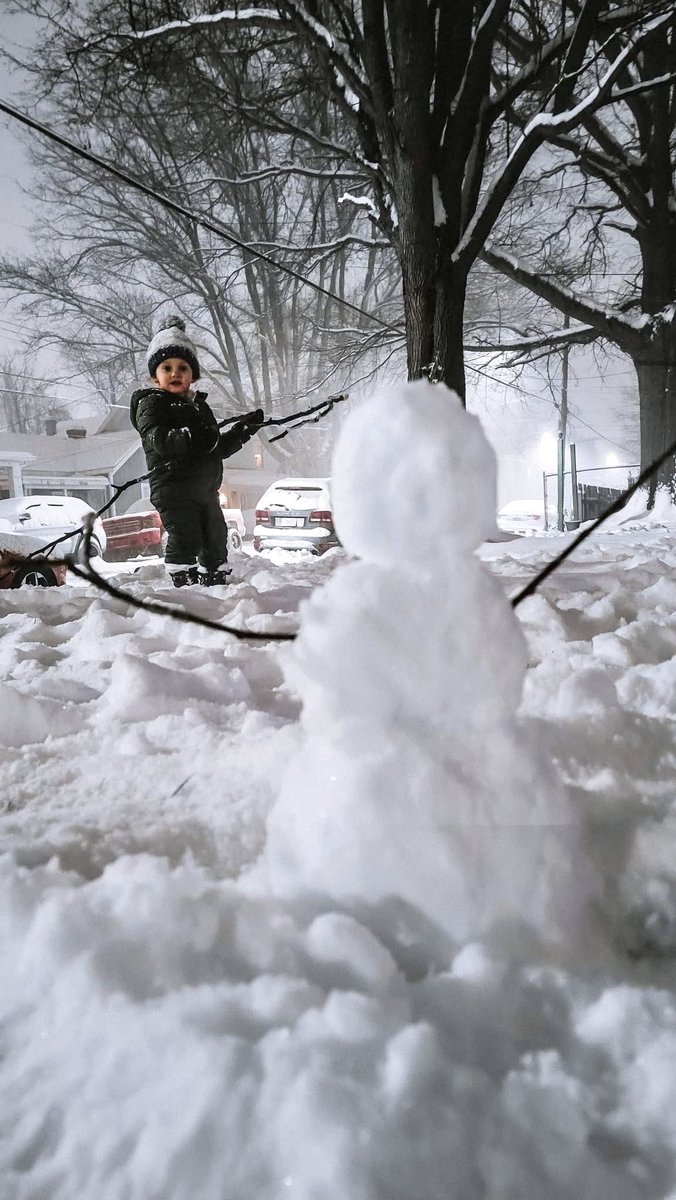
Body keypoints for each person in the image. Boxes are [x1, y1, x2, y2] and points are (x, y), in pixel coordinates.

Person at [130, 316, 264, 587]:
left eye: (183, 367)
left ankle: (215, 578)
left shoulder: (199, 408)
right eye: (166, 367)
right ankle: (184, 583)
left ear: (193, 375)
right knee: (185, 536)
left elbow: (213, 447)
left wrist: (243, 430)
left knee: (216, 536)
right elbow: (158, 439)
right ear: (154, 375)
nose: (175, 373)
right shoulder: (151, 403)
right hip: (173, 488)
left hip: (205, 490)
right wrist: (185, 437)